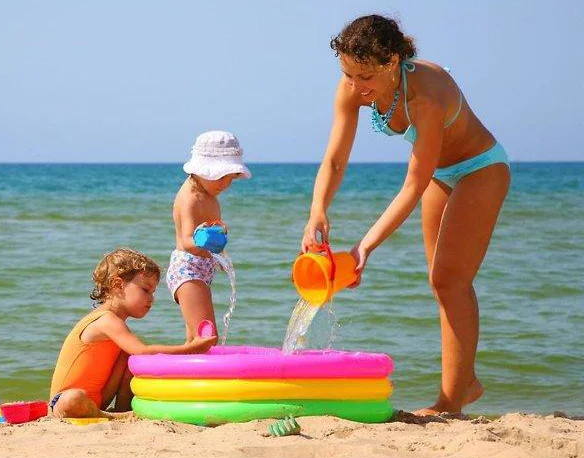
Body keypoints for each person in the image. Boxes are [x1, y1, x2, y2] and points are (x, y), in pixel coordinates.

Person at [301, 15, 510, 416]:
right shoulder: (352, 88)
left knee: (450, 280)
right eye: (347, 74)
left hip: (480, 167)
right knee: (441, 283)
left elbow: (413, 185)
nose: (355, 85)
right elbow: (335, 159)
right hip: (441, 174)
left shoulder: (424, 98)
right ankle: (465, 383)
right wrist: (317, 211)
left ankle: (451, 401)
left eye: (365, 76)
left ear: (392, 61)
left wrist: (365, 246)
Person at [49, 248, 217, 419]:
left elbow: (138, 355)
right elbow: (144, 351)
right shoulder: (105, 320)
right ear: (118, 285)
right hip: (63, 403)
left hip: (97, 402)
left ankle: (121, 410)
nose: (151, 299)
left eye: (153, 292)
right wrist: (189, 349)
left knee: (130, 357)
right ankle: (117, 417)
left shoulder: (116, 322)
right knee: (73, 399)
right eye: (145, 290)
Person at [168, 131, 251, 342]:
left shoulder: (210, 197)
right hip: (187, 270)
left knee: (195, 337)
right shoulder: (191, 198)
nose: (224, 184)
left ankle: (185, 363)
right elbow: (187, 241)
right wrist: (202, 238)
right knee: (207, 337)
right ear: (202, 170)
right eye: (220, 177)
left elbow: (213, 234)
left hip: (202, 270)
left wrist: (219, 237)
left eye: (230, 178)